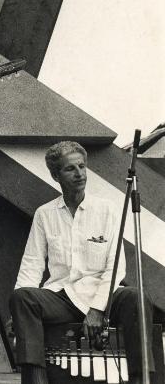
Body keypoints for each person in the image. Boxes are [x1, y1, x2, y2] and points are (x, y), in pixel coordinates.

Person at [9, 141, 154, 384]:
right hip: (61, 297)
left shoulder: (106, 210)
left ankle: (142, 380)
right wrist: (17, 311)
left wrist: (97, 309)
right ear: (56, 175)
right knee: (22, 297)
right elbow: (32, 264)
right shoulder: (45, 214)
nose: (79, 174)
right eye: (70, 169)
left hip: (103, 294)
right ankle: (36, 380)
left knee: (136, 297)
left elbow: (115, 267)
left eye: (82, 166)